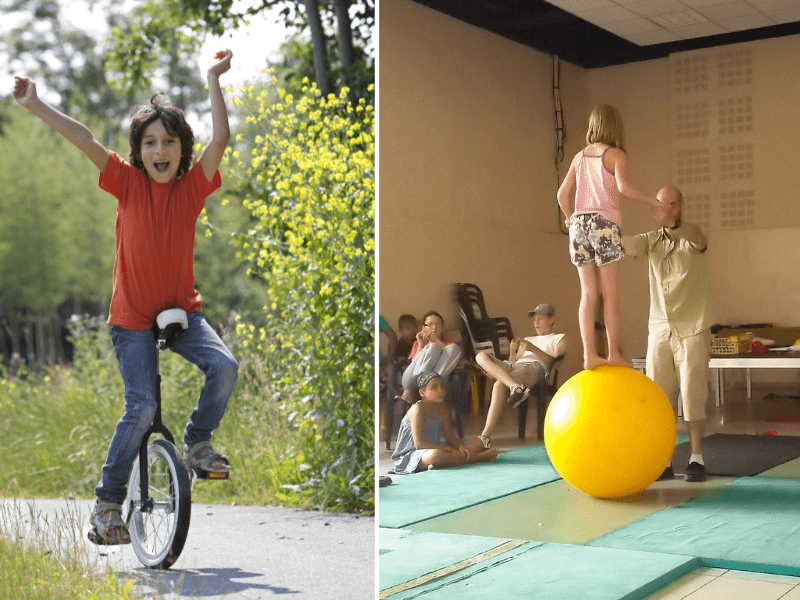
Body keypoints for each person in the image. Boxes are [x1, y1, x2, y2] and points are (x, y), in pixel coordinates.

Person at [13, 50, 239, 543]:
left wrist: (212, 79)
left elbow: (221, 137)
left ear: (182, 150)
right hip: (133, 318)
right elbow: (84, 138)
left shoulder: (192, 189)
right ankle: (108, 503)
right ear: (139, 151)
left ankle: (197, 443)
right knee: (140, 409)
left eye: (170, 142)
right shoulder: (127, 182)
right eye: (151, 142)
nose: (161, 149)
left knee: (225, 367)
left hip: (183, 312)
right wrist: (35, 104)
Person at [557, 104, 662, 370]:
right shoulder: (615, 155)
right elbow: (623, 187)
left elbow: (561, 195)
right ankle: (614, 352)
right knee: (610, 295)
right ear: (615, 126)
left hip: (579, 224)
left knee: (588, 293)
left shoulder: (579, 158)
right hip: (604, 224)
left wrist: (570, 217)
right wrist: (652, 200)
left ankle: (589, 355)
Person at [624, 186, 711, 482]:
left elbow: (698, 237)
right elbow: (623, 245)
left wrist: (673, 222)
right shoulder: (650, 241)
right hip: (660, 329)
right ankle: (664, 459)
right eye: (662, 205)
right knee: (660, 399)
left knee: (692, 394)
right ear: (654, 209)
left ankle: (696, 458)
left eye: (673, 204)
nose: (669, 209)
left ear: (681, 206)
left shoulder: (693, 236)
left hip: (692, 330)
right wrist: (586, 226)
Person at [473, 304, 567, 449]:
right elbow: (512, 363)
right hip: (515, 367)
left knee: (498, 384)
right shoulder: (529, 338)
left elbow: (554, 364)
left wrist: (532, 349)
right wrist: (512, 350)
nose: (536, 323)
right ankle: (515, 387)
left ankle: (485, 437)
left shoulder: (558, 338)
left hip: (534, 368)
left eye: (540, 319)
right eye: (534, 320)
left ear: (551, 319)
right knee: (481, 356)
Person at [391, 371, 499, 473]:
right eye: (434, 388)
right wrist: (446, 448)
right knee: (435, 455)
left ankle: (443, 463)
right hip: (413, 454)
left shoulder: (442, 408)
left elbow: (449, 436)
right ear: (422, 392)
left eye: (442, 387)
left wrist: (460, 446)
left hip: (437, 447)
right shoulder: (418, 409)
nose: (440, 390)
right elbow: (419, 444)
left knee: (479, 442)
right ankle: (477, 458)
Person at [399, 311, 461, 402]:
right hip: (411, 381)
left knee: (453, 347)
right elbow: (413, 364)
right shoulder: (417, 343)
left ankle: (428, 385)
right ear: (424, 327)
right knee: (433, 347)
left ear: (443, 327)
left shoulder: (448, 343)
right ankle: (421, 385)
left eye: (438, 324)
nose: (435, 327)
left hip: (435, 384)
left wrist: (436, 341)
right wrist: (421, 345)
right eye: (430, 324)